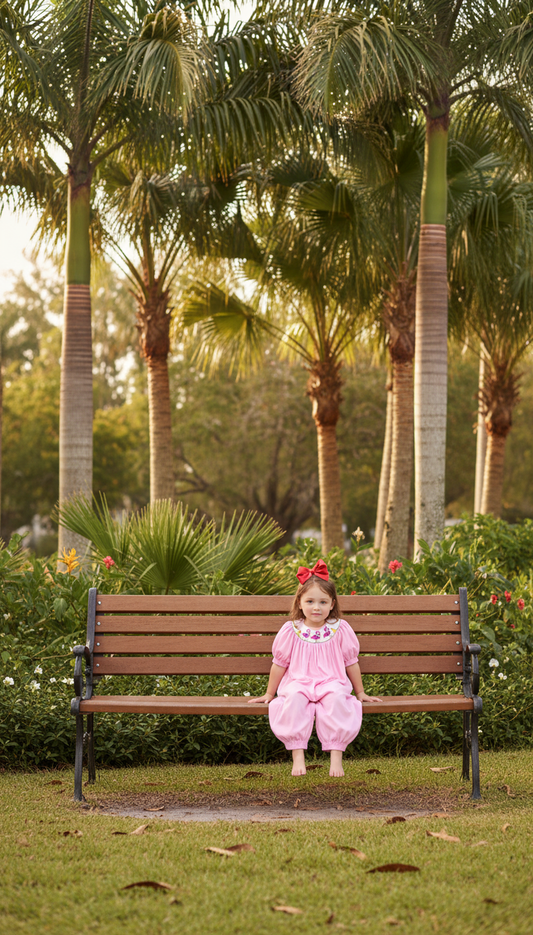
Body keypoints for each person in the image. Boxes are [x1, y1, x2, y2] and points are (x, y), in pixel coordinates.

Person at [248, 559, 381, 776]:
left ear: (332, 604)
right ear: (299, 603)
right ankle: (297, 755)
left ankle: (336, 757)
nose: (316, 607)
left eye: (322, 602)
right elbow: (279, 664)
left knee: (338, 699)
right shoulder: (291, 630)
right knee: (293, 700)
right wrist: (269, 693)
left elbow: (351, 662)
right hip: (298, 681)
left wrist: (361, 692)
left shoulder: (340, 629)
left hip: (331, 681)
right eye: (310, 601)